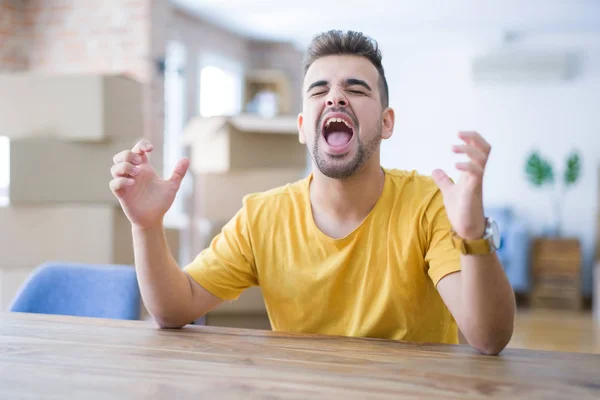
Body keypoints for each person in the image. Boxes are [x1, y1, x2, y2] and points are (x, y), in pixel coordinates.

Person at [110, 30, 515, 355]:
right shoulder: (261, 216)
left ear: (387, 123)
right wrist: (146, 227)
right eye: (320, 90)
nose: (335, 97)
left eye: (356, 90)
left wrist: (473, 236)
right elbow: (175, 308)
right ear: (304, 127)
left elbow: (488, 338)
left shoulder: (427, 205)